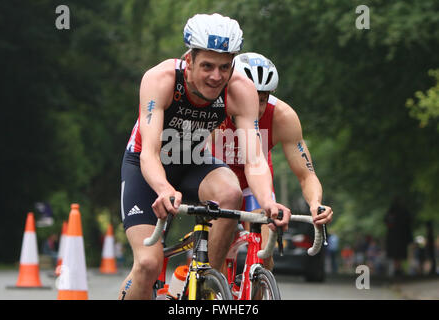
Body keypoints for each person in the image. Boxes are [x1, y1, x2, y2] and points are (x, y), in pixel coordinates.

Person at [119, 14, 290, 300]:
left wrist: (268, 203)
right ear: (189, 59)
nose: (216, 76)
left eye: (225, 67)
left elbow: (254, 160)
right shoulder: (160, 80)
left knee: (230, 192)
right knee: (148, 264)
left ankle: (207, 283)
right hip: (147, 167)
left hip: (194, 162)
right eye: (207, 66)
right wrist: (163, 189)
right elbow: (148, 152)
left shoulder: (240, 89)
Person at [211, 52, 333, 270]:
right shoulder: (211, 108)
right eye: (247, 97)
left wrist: (315, 203)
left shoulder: (282, 116)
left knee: (263, 257)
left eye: (262, 99)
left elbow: (306, 175)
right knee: (214, 259)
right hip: (217, 184)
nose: (256, 109)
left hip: (254, 187)